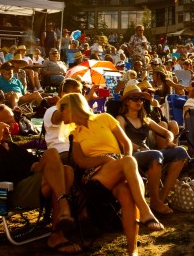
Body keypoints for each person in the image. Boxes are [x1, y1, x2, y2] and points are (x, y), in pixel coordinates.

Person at [63, 92, 165, 256]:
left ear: (72, 107)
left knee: (127, 193)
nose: (60, 115)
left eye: (62, 110)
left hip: (119, 167)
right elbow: (81, 161)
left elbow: (126, 144)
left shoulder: (105, 118)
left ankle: (132, 250)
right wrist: (104, 159)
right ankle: (146, 211)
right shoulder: (75, 134)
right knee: (129, 162)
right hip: (94, 176)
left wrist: (122, 161)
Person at [0, 104, 80, 253]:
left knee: (63, 167)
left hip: (28, 186)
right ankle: (63, 211)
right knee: (59, 165)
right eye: (7, 122)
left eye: (13, 121)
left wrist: (48, 162)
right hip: (5, 194)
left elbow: (34, 165)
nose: (13, 125)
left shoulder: (12, 147)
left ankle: (58, 230)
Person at [114, 84, 188, 216]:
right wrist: (138, 147)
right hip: (132, 155)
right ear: (126, 101)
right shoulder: (121, 119)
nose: (139, 102)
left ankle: (161, 198)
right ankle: (155, 200)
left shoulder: (145, 119)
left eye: (141, 99)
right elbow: (122, 140)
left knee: (181, 152)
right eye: (135, 99)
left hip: (148, 152)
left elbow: (166, 132)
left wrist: (170, 141)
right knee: (156, 154)